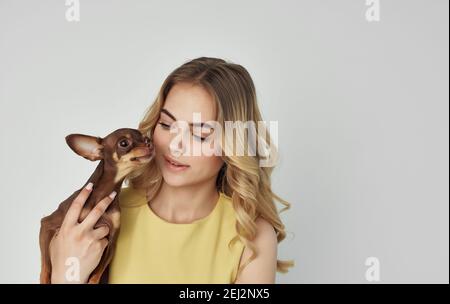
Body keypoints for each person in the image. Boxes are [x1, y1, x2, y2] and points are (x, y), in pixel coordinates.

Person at [49, 57, 294, 284]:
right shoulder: (101, 216)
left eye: (200, 134)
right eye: (166, 124)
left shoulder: (252, 235)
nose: (175, 145)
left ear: (233, 144)